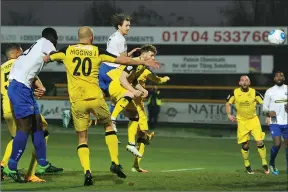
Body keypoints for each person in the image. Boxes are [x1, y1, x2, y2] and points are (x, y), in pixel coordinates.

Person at [43, 26, 160, 186]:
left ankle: (87, 172)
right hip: (96, 98)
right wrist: (143, 61)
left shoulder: (67, 50)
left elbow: (47, 58)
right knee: (109, 127)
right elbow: (122, 61)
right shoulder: (97, 51)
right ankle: (114, 162)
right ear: (91, 38)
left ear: (79, 38)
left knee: (82, 137)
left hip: (77, 101)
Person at [3, 28, 60, 183]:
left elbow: (25, 70)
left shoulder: (30, 51)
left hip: (22, 88)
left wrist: (36, 86)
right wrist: (69, 54)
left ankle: (42, 163)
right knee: (24, 128)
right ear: (53, 39)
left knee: (37, 125)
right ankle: (11, 166)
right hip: (20, 89)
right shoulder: (45, 42)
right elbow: (56, 57)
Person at [108, 44, 159, 157]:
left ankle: (131, 144)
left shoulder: (142, 66)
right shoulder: (134, 61)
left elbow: (134, 81)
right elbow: (122, 78)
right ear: (144, 54)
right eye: (151, 55)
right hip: (116, 85)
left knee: (135, 115)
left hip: (123, 87)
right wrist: (133, 90)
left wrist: (142, 89)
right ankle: (112, 119)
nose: (153, 58)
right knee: (131, 93)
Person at [98, 13, 139, 141]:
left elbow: (117, 55)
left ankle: (111, 126)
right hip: (113, 71)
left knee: (104, 100)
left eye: (129, 25)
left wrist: (129, 54)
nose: (128, 28)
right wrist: (137, 60)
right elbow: (124, 60)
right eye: (126, 25)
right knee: (126, 97)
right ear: (119, 26)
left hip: (103, 70)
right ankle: (114, 121)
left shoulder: (112, 37)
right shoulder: (121, 39)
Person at [225, 75, 269, 174]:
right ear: (239, 83)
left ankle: (264, 162)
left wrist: (268, 116)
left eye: (246, 80)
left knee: (259, 142)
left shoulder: (254, 93)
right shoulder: (235, 93)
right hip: (242, 121)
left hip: (253, 120)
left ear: (249, 83)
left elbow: (264, 104)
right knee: (245, 145)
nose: (244, 82)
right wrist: (228, 114)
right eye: (242, 80)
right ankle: (247, 164)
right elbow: (228, 103)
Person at [131, 66, 169, 172]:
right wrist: (165, 78)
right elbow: (158, 80)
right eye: (151, 56)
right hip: (138, 106)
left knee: (140, 135)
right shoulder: (144, 70)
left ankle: (136, 165)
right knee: (141, 136)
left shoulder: (127, 68)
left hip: (127, 102)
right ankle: (146, 138)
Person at [263, 71, 288, 175]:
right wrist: (269, 112)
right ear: (274, 79)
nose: (279, 77)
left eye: (281, 76)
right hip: (275, 121)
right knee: (277, 144)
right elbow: (264, 108)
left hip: (286, 121)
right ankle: (272, 163)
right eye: (277, 76)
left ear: (284, 78)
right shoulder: (270, 91)